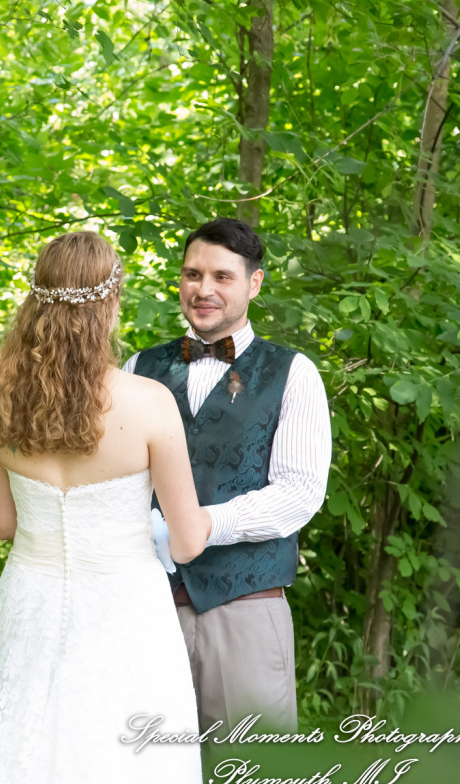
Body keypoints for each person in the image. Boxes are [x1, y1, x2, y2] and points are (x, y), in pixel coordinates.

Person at [0, 232, 209, 784]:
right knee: (125, 771)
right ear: (109, 304)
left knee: (17, 749)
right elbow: (187, 541)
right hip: (125, 611)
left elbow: (5, 524)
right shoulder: (150, 402)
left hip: (29, 601)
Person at [124, 217, 331, 734]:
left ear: (254, 284)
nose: (204, 289)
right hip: (147, 607)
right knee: (148, 782)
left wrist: (202, 524)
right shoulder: (137, 368)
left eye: (222, 276)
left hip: (245, 609)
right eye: (193, 275)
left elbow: (299, 493)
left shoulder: (294, 372)